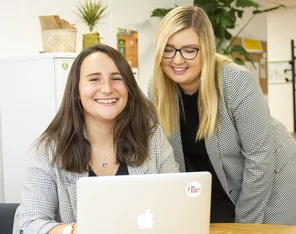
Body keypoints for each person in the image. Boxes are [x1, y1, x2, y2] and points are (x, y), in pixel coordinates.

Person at [149, 5, 296, 225]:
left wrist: (246, 225)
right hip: (217, 190)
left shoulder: (235, 81)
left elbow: (260, 159)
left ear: (207, 49)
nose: (177, 60)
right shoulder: (157, 88)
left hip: (271, 182)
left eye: (189, 50)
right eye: (168, 49)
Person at [18, 44, 179, 234]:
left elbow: (177, 205)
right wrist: (76, 231)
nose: (107, 88)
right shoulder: (50, 150)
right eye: (94, 79)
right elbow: (28, 224)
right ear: (76, 91)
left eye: (116, 79)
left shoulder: (153, 139)